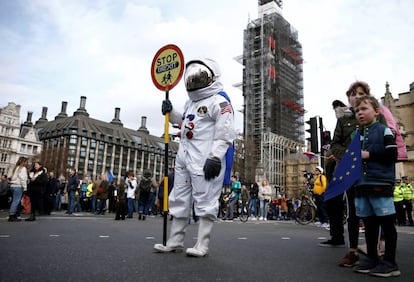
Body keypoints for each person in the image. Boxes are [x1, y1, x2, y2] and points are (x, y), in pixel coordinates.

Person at [154, 58, 236, 257]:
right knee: (179, 199)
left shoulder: (219, 101)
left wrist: (216, 157)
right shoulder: (190, 103)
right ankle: (175, 241)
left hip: (205, 159)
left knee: (205, 201)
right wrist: (170, 112)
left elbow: (225, 132)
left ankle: (202, 244)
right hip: (184, 157)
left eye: (199, 77)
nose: (195, 82)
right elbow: (184, 122)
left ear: (212, 77)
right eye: (192, 78)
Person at [351, 95, 400, 277]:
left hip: (379, 182)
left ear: (376, 112)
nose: (360, 113)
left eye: (364, 109)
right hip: (362, 183)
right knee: (369, 223)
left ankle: (390, 262)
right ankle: (372, 258)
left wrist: (368, 154)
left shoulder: (384, 130)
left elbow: (392, 155)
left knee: (386, 223)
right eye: (357, 111)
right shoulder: (358, 134)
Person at [8, 157, 28, 222]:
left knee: (14, 200)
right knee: (16, 201)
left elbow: (9, 177)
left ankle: (13, 215)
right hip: (18, 186)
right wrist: (25, 187)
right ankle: (12, 215)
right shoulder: (23, 168)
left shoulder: (14, 168)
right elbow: (23, 179)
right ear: (24, 162)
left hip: (12, 185)